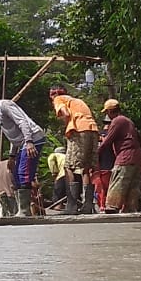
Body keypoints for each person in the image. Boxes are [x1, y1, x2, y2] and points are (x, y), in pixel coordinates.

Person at [0, 93, 48, 216]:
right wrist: (12, 156)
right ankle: (21, 209)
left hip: (33, 138)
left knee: (24, 173)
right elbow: (14, 137)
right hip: (23, 142)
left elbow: (22, 122)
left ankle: (24, 210)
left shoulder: (3, 105)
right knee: (16, 175)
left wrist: (29, 141)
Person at [49, 84, 99, 214]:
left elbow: (65, 113)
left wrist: (67, 125)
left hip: (79, 130)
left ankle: (71, 205)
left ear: (53, 94)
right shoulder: (77, 101)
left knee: (69, 166)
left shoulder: (59, 99)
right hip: (93, 130)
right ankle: (88, 205)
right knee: (86, 168)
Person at [97, 99, 141, 212]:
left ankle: (112, 206)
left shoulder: (117, 121)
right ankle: (130, 206)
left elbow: (108, 140)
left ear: (110, 111)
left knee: (118, 179)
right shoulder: (129, 121)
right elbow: (140, 139)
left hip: (126, 155)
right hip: (137, 156)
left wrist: (97, 153)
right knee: (132, 185)